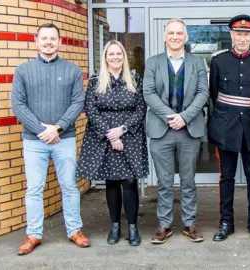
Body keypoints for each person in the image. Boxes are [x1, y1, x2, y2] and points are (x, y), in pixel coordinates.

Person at [11, 23, 90, 255]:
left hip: (63, 140)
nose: (48, 42)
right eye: (44, 38)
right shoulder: (23, 70)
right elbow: (18, 104)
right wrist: (40, 130)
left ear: (60, 41)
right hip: (34, 141)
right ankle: (34, 234)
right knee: (34, 189)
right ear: (36, 40)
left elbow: (77, 103)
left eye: (53, 39)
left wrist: (57, 128)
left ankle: (75, 230)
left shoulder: (73, 70)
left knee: (69, 186)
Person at [77, 40, 148, 246]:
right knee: (111, 182)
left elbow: (141, 109)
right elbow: (90, 109)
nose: (115, 57)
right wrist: (111, 135)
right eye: (111, 54)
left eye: (119, 54)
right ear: (105, 57)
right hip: (104, 138)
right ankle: (115, 226)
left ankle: (133, 228)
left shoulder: (134, 79)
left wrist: (122, 130)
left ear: (124, 57)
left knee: (129, 182)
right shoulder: (95, 80)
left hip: (130, 137)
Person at [143, 18, 208, 244]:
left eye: (179, 33)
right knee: (164, 181)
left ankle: (189, 223)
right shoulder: (153, 62)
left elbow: (203, 93)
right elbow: (148, 93)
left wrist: (184, 117)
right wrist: (170, 117)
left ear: (186, 37)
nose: (175, 37)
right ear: (164, 36)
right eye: (171, 33)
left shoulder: (197, 62)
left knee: (189, 180)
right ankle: (165, 225)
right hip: (161, 129)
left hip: (189, 129)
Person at [208, 14, 250, 242]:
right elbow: (214, 95)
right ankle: (226, 222)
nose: (242, 38)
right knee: (226, 178)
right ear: (231, 34)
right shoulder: (218, 60)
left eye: (246, 34)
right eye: (238, 33)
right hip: (226, 127)